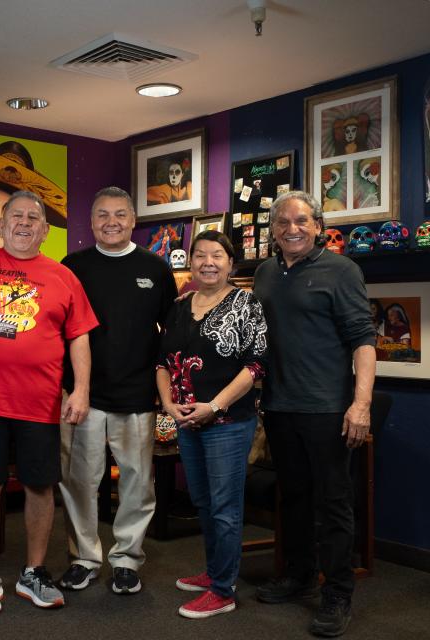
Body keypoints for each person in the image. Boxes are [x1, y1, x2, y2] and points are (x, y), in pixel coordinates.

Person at [0, 191, 98, 615]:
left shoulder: (63, 276)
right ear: (1, 222)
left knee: (40, 487)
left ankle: (33, 572)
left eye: (34, 218)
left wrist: (82, 388)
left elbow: (80, 336)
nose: (25, 223)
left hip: (41, 404)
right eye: (17, 215)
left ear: (45, 231)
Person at [253, 191, 376, 638]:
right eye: (283, 222)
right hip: (280, 406)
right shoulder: (264, 273)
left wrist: (360, 404)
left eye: (301, 220)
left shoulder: (342, 271)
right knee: (296, 497)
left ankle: (337, 591)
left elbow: (364, 340)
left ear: (318, 225)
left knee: (333, 503)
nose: (292, 228)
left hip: (327, 408)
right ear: (273, 230)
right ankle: (299, 574)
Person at [57, 187, 178, 595]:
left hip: (137, 394)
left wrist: (165, 391)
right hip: (81, 396)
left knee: (137, 484)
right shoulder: (71, 267)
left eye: (120, 215)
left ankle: (127, 559)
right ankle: (84, 558)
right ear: (90, 222)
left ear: (133, 220)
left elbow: (171, 335)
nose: (112, 222)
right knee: (78, 483)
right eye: (103, 215)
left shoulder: (156, 269)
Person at [156, 230, 268, 620]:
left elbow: (255, 366)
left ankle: (224, 590)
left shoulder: (245, 303)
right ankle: (215, 570)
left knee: (224, 507)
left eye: (216, 255)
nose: (208, 262)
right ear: (191, 261)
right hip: (188, 422)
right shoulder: (180, 305)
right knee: (203, 502)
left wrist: (215, 405)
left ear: (230, 262)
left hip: (228, 422)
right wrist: (169, 405)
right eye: (200, 254)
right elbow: (162, 362)